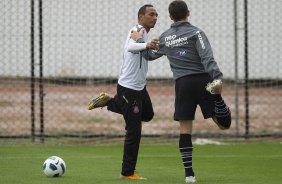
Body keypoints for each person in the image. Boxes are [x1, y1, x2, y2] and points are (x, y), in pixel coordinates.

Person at [130, 0, 231, 183]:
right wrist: (217, 77)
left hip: (183, 85)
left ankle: (189, 174)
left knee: (185, 130)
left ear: (170, 16)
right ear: (188, 13)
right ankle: (218, 98)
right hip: (203, 81)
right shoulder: (196, 33)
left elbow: (149, 55)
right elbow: (206, 57)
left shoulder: (166, 37)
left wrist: (139, 40)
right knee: (224, 125)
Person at [87, 4, 159, 180]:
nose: (155, 17)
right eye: (151, 14)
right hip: (129, 88)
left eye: (156, 15)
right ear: (141, 16)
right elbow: (131, 47)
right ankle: (127, 173)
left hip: (140, 87)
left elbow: (146, 52)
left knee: (148, 114)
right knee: (134, 131)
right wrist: (146, 44)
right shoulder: (137, 30)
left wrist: (159, 49)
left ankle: (110, 102)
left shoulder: (144, 33)